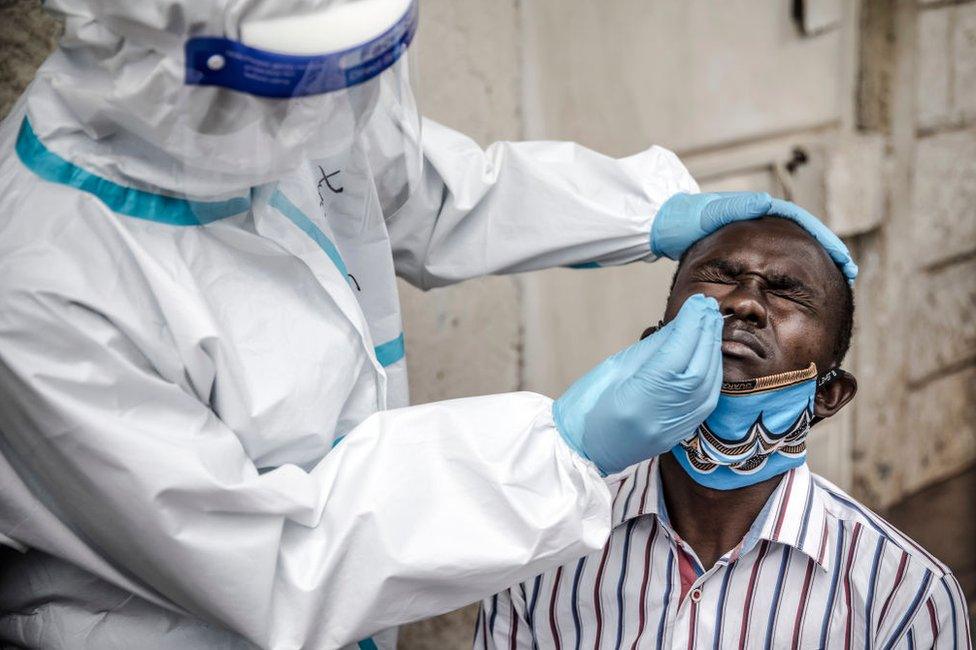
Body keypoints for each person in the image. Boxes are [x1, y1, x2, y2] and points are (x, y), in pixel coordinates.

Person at [0, 1, 856, 648]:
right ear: (196, 71)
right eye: (720, 276)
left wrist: (654, 213)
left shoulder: (892, 594)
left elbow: (432, 196)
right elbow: (277, 565)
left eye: (782, 294)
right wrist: (562, 449)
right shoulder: (40, 294)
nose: (343, 107)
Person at [475, 215, 971, 649]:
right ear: (653, 347)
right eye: (721, 277)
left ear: (829, 395)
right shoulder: (545, 545)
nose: (745, 304)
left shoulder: (906, 597)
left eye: (786, 291)